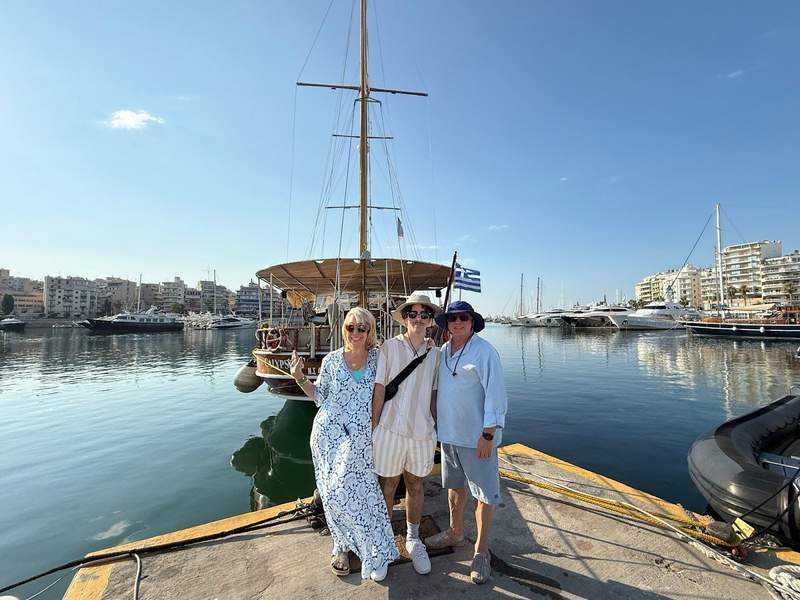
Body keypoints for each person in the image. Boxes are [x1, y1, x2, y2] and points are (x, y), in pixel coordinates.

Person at [290, 307, 399, 581]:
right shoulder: (331, 361)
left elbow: (406, 355)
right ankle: (341, 545)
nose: (356, 332)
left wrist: (430, 344)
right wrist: (299, 377)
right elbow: (319, 397)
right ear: (344, 329)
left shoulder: (378, 358)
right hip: (328, 434)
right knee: (334, 491)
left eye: (362, 328)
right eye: (351, 327)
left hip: (362, 436)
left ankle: (375, 550)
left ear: (370, 331)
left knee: (364, 493)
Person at [423, 301, 508, 585]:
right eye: (452, 318)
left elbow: (496, 396)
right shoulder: (444, 352)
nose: (457, 322)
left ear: (472, 322)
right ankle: (455, 532)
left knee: (484, 496)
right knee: (455, 490)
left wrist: (488, 435)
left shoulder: (485, 352)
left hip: (477, 439)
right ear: (446, 324)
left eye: (463, 318)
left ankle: (481, 552)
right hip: (449, 437)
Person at [371, 294, 440, 576]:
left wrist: (437, 425)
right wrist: (373, 426)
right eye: (413, 313)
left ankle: (413, 539)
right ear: (406, 318)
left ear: (430, 320)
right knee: (387, 486)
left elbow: (434, 393)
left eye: (424, 314)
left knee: (415, 485)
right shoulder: (389, 347)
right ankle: (383, 541)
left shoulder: (435, 353)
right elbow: (378, 388)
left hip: (422, 432)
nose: (418, 318)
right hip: (389, 429)